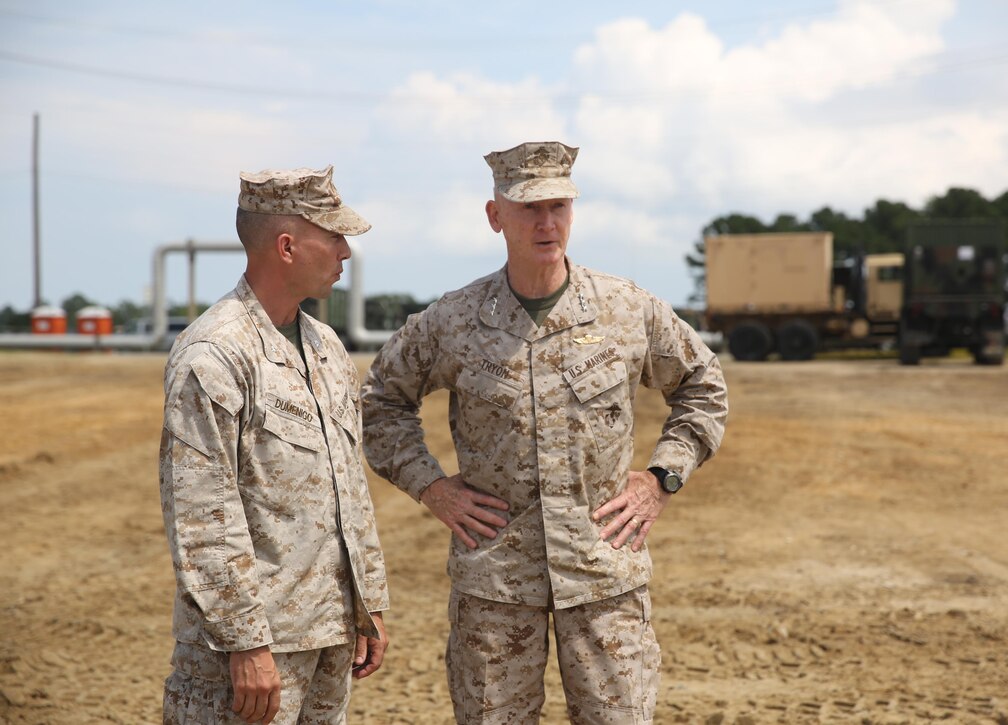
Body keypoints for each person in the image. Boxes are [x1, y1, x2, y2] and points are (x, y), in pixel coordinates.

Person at [359, 142, 728, 723]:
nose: (546, 223)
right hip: (496, 585)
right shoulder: (454, 321)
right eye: (529, 208)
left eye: (558, 206)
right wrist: (432, 488)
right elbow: (380, 401)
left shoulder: (625, 310)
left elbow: (703, 386)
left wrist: (662, 479)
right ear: (495, 216)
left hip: (604, 574)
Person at [159, 166, 389, 724]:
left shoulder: (326, 346)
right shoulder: (215, 354)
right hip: (252, 653)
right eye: (333, 236)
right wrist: (245, 642)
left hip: (330, 633)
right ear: (287, 247)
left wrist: (368, 604)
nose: (345, 251)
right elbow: (202, 513)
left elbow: (348, 485)